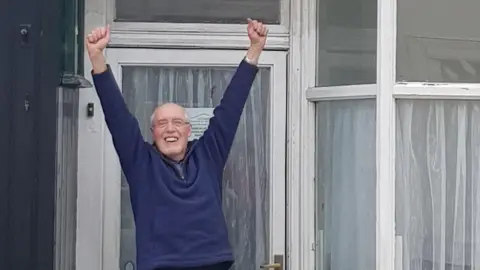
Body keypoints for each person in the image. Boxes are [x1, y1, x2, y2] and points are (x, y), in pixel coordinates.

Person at [86, 18, 268, 270]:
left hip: (212, 263)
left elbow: (230, 108)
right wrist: (97, 58)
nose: (170, 129)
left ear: (188, 129)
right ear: (153, 132)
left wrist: (255, 49)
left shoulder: (208, 155)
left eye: (176, 122)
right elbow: (118, 117)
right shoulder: (142, 164)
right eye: (162, 124)